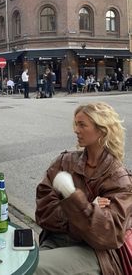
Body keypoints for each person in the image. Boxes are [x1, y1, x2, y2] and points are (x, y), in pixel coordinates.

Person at [35, 102, 132, 275]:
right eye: (76, 124)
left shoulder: (118, 177)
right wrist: (89, 210)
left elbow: (109, 234)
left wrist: (73, 198)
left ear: (102, 130)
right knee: (16, 265)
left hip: (95, 253)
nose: (76, 130)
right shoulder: (64, 162)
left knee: (33, 268)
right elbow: (43, 211)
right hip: (56, 239)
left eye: (82, 125)